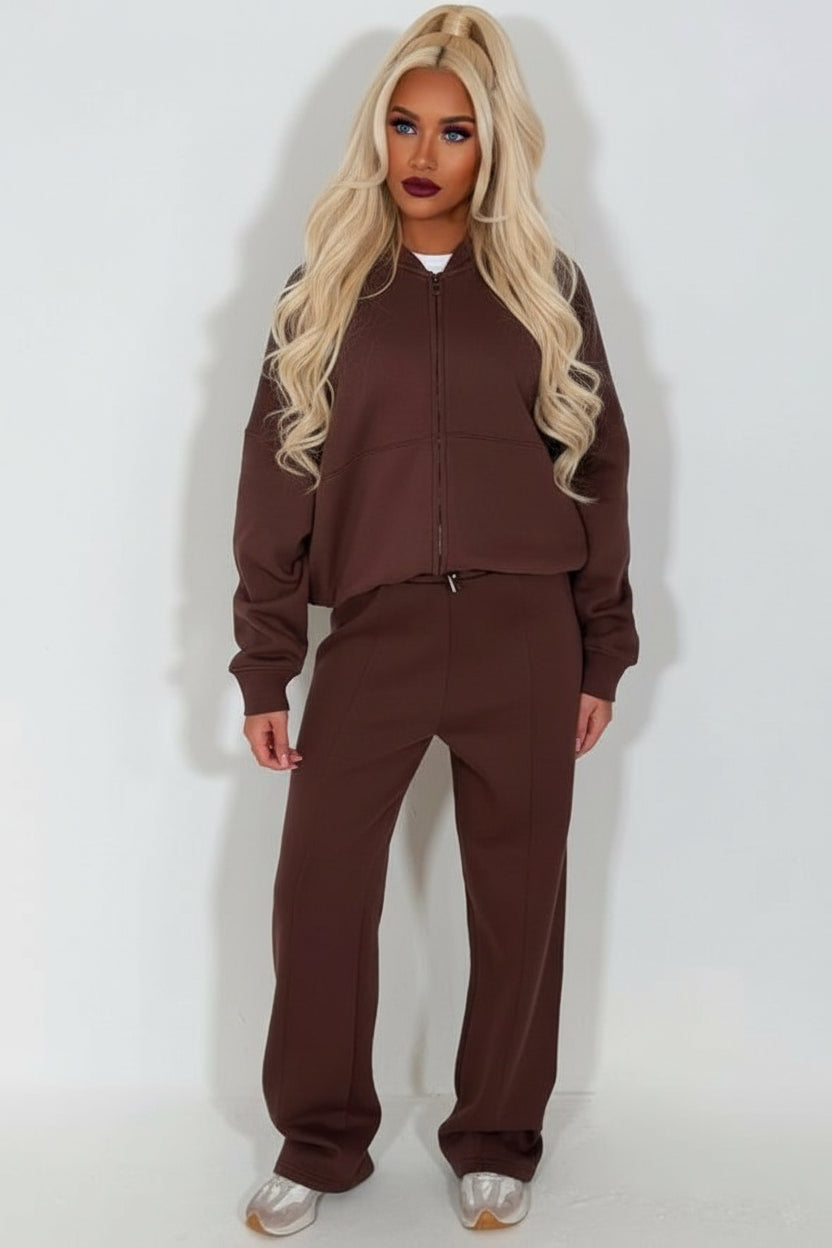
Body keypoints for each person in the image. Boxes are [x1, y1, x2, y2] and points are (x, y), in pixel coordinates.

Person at [227, 3, 639, 1235]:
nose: (423, 153)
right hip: (378, 632)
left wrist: (602, 646)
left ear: (491, 145)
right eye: (405, 125)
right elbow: (274, 481)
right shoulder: (326, 291)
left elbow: (598, 470)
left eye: (454, 131)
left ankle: (498, 1135)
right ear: (377, 135)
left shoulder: (545, 291)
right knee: (318, 891)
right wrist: (266, 663)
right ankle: (319, 1140)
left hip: (526, 632)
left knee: (519, 899)